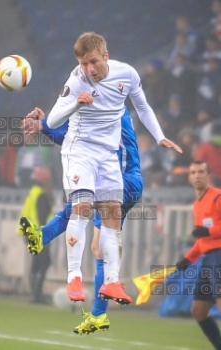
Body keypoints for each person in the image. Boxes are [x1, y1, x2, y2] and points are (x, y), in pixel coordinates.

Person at [40, 32, 181, 304]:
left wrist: (159, 136)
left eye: (93, 62)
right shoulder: (77, 79)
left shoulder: (126, 74)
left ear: (106, 56)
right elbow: (54, 118)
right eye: (83, 63)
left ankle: (112, 282)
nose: (89, 69)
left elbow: (143, 106)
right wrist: (75, 103)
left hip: (107, 154)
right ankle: (74, 277)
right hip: (80, 150)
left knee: (112, 214)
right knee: (82, 208)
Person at [20, 104, 180, 334]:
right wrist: (45, 126)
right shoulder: (105, 106)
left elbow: (72, 139)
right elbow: (73, 138)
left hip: (122, 179)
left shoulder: (107, 107)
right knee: (98, 247)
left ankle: (44, 235)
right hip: (126, 181)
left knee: (81, 202)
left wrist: (45, 125)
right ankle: (99, 313)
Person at [175, 160, 221, 350]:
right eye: (193, 172)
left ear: (208, 176)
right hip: (208, 258)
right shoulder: (196, 205)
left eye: (201, 172)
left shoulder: (218, 197)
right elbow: (201, 240)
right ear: (189, 178)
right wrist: (188, 258)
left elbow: (206, 233)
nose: (197, 176)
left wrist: (208, 232)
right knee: (199, 310)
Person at [19, 167, 53, 304]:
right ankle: (36, 294)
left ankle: (34, 293)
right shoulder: (42, 195)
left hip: (29, 231)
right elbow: (42, 217)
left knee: (37, 263)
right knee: (44, 262)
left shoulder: (33, 192)